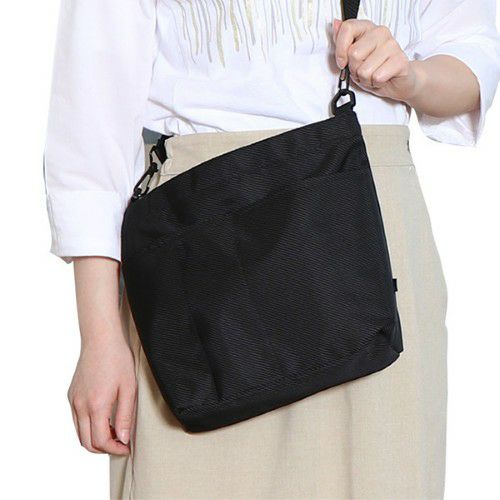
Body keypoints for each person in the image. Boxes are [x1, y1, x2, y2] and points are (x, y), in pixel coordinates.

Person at [44, 1, 500, 498]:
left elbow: (473, 54)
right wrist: (99, 339)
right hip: (208, 244)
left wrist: (410, 77)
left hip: (372, 238)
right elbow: (91, 129)